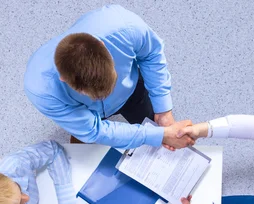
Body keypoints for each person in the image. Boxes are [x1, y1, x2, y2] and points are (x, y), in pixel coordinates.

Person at [24, 5, 194, 151]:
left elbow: (151, 55)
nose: (106, 97)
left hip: (132, 91)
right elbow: (95, 130)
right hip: (85, 110)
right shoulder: (41, 90)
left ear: (103, 46)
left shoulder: (126, 27)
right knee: (82, 148)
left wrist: (163, 111)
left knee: (156, 125)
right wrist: (159, 135)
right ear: (63, 78)